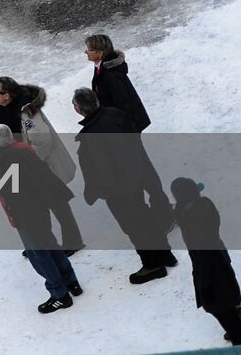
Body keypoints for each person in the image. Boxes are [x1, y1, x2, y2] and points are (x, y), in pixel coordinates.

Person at [73, 88, 176, 284]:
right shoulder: (116, 114)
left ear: (79, 110)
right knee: (145, 216)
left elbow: (100, 171)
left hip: (119, 190)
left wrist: (100, 191)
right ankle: (165, 255)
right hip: (136, 177)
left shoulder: (91, 136)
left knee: (133, 227)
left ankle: (153, 265)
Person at [0, 125, 83, 313]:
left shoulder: (1, 160)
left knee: (39, 253)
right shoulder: (24, 150)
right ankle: (71, 282)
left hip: (24, 212)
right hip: (40, 207)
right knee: (51, 244)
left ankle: (59, 295)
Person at [0, 77, 83, 252]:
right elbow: (0, 123)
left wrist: (30, 160)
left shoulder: (27, 113)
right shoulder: (7, 107)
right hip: (27, 161)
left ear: (7, 95)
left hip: (41, 163)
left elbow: (41, 140)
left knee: (57, 202)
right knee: (37, 203)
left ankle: (73, 241)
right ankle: (42, 242)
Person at [86, 33, 172, 222]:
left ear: (100, 53)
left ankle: (163, 210)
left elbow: (123, 106)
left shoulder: (110, 75)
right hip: (123, 129)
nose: (86, 52)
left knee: (143, 169)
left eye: (90, 50)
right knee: (141, 167)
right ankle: (161, 206)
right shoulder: (102, 69)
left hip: (126, 130)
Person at [171, 177, 241, 346]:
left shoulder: (195, 223)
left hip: (210, 268)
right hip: (215, 261)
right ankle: (240, 323)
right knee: (229, 299)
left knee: (223, 309)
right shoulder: (202, 206)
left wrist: (203, 285)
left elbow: (205, 259)